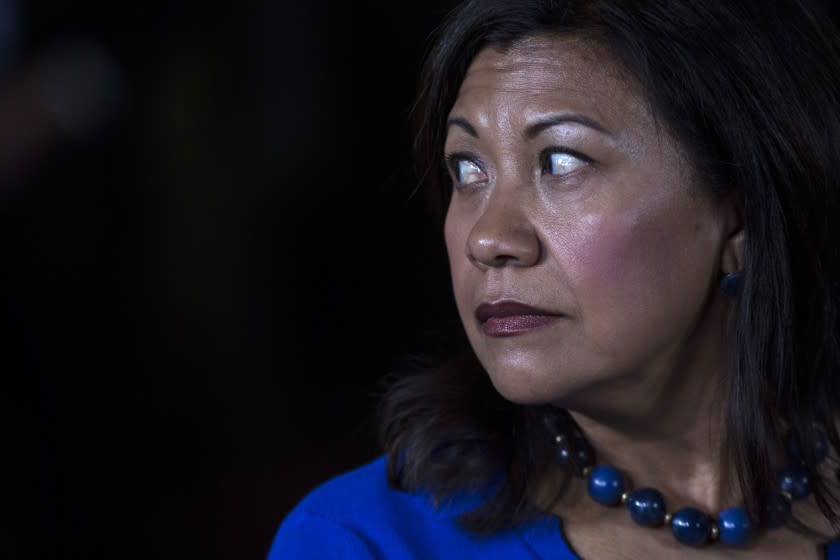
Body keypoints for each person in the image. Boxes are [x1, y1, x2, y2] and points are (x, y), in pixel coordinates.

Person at [268, 0, 840, 557]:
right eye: (468, 169)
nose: (487, 239)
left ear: (738, 218)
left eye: (561, 161)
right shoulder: (361, 541)